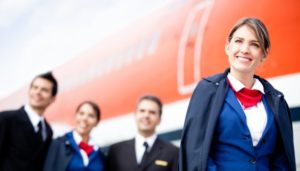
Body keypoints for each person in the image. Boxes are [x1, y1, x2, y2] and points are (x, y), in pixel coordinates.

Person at [179, 17, 296, 171]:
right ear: (228, 47)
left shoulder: (277, 101)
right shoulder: (207, 91)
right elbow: (195, 154)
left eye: (254, 45)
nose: (245, 49)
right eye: (239, 41)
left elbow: (281, 160)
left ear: (264, 54)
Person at [0, 72, 58, 171]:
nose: (38, 92)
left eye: (44, 90)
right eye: (35, 87)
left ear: (52, 99)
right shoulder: (6, 118)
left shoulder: (48, 131)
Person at [106, 95, 178, 171]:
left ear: (159, 119)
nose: (146, 115)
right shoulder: (116, 151)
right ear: (135, 115)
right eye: (142, 111)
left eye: (152, 112)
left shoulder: (173, 152)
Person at [43, 101, 105, 171]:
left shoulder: (99, 153)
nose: (85, 118)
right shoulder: (59, 144)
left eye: (91, 116)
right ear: (75, 116)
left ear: (96, 122)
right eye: (81, 113)